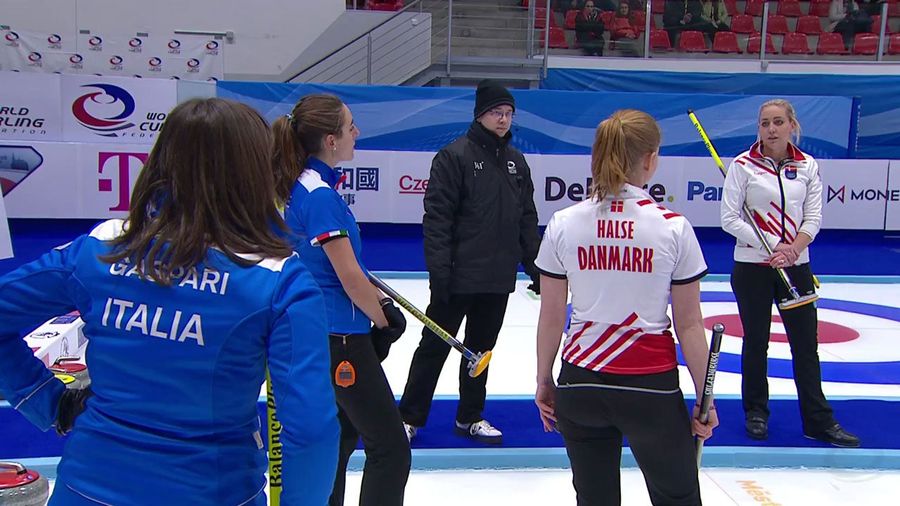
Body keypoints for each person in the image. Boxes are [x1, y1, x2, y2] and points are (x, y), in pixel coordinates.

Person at [0, 98, 340, 505]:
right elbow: (310, 429)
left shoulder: (100, 250)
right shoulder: (280, 280)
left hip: (86, 490)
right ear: (255, 172)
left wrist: (47, 402)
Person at [534, 109, 718, 505]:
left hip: (580, 381)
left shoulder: (563, 222)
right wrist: (705, 399)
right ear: (650, 159)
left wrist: (544, 379)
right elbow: (689, 325)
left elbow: (551, 316)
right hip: (649, 387)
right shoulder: (672, 226)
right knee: (678, 497)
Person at [272, 93, 411, 506]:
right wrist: (384, 319)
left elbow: (345, 269)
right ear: (330, 140)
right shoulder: (318, 196)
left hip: (325, 332)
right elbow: (349, 278)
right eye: (351, 126)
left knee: (343, 438)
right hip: (340, 337)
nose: (357, 134)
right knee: (390, 448)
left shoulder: (305, 187)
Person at [399, 80, 541, 445]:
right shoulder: (453, 157)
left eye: (509, 113)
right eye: (497, 112)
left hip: (497, 277)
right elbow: (437, 219)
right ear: (480, 114)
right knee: (434, 347)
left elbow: (526, 217)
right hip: (458, 276)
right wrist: (439, 273)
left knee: (480, 352)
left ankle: (470, 416)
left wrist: (535, 266)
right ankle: (410, 417)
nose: (504, 119)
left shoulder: (516, 162)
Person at [721, 98, 860, 448]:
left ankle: (818, 420)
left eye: (778, 122)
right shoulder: (742, 166)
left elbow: (813, 217)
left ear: (791, 125)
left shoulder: (809, 166)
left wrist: (793, 248)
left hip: (796, 268)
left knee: (805, 345)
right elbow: (730, 218)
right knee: (756, 342)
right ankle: (756, 413)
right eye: (765, 123)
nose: (771, 129)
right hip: (753, 267)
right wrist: (770, 245)